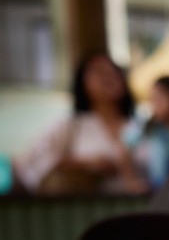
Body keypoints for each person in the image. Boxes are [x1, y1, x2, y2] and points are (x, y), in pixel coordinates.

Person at [14, 51, 140, 195]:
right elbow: (33, 159)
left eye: (114, 70)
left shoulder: (139, 126)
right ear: (82, 83)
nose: (109, 75)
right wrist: (85, 164)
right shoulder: (73, 125)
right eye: (99, 71)